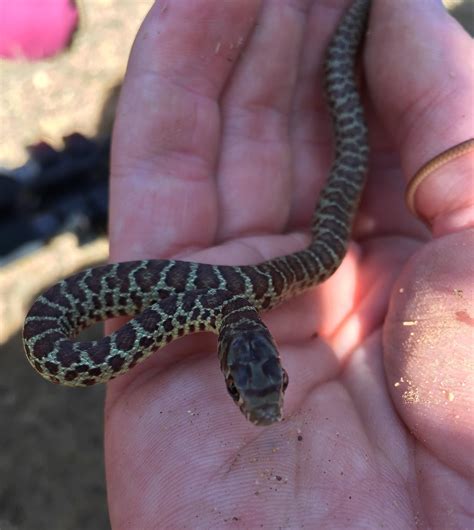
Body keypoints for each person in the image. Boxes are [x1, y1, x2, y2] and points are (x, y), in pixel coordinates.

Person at [105, 1, 473, 527]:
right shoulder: (215, 305)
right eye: (257, 386)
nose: (266, 404)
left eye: (262, 386)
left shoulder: (234, 299)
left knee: (344, 156)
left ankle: (350, 35)